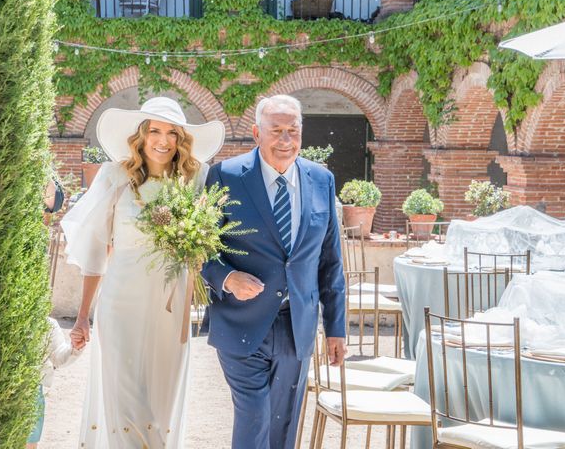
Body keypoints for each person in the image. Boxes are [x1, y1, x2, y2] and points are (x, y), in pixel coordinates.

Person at [61, 97, 225, 448]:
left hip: (171, 305)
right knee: (126, 399)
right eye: (154, 130)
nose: (162, 140)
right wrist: (82, 317)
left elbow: (211, 243)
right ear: (142, 135)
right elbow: (97, 251)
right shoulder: (114, 176)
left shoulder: (197, 180)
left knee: (159, 403)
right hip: (120, 303)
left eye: (171, 132)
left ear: (181, 138)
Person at [201, 94, 346, 449]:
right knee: (254, 417)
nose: (285, 140)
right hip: (241, 321)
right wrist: (227, 278)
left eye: (293, 131)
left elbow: (330, 261)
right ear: (256, 133)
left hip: (297, 325)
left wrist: (336, 328)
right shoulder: (225, 176)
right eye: (276, 130)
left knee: (284, 423)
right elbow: (200, 249)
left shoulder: (322, 180)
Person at [26, 317, 83, 448]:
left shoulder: (48, 324)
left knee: (29, 444)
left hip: (32, 395)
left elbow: (58, 357)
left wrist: (74, 347)